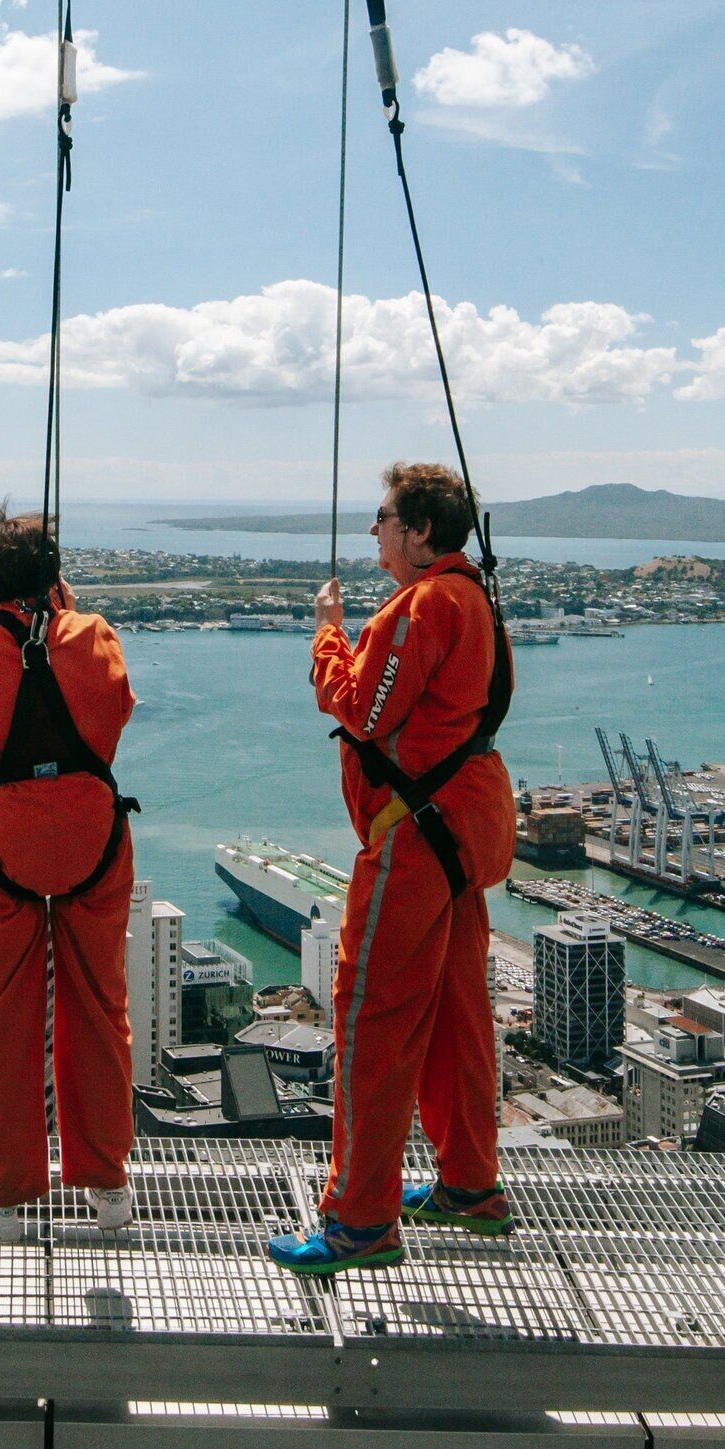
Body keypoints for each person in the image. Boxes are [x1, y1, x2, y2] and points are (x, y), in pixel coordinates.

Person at [270, 461, 519, 1274]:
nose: (373, 530)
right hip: (461, 823)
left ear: (418, 531)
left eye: (382, 518)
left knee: (371, 1020)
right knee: (455, 1013)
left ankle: (359, 1219)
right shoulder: (472, 596)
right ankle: (469, 1183)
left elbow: (362, 708)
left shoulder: (427, 603)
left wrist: (327, 633)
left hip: (415, 832)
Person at [0, 511, 141, 1241]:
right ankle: (107, 1184)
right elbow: (116, 712)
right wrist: (70, 615)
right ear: (54, 578)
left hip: (3, 849)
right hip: (91, 837)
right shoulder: (93, 635)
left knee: (1, 1021)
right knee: (97, 1006)